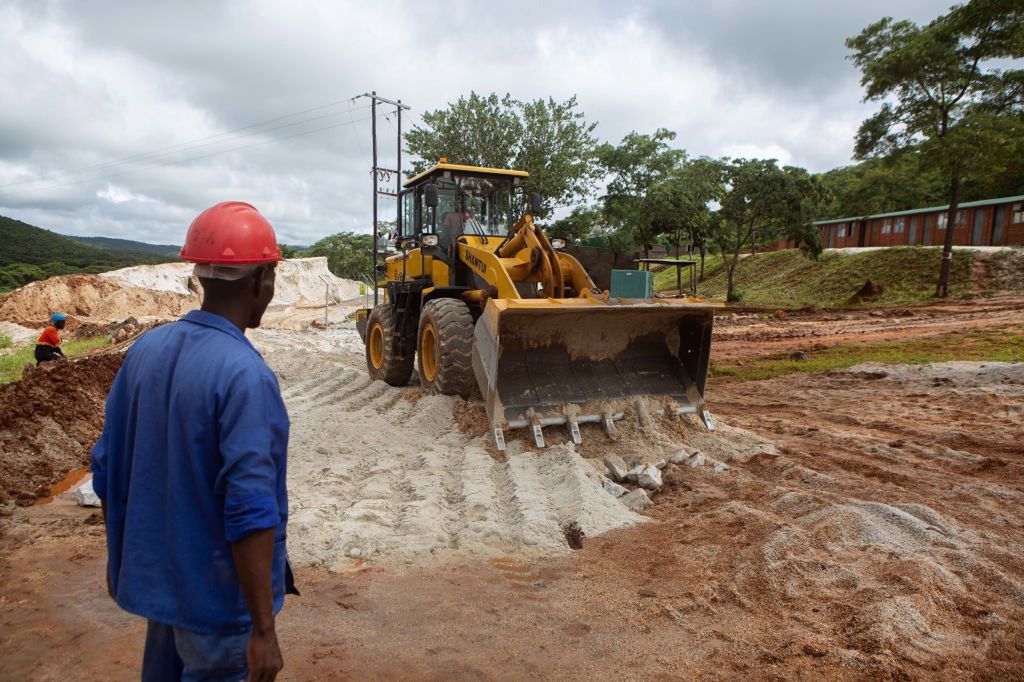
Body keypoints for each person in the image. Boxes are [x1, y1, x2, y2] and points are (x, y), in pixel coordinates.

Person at [91, 201, 296, 682]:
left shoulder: (145, 350)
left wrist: (119, 560)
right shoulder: (246, 375)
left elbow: (105, 469)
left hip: (163, 589)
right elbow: (250, 509)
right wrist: (263, 630)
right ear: (263, 280)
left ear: (201, 276)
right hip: (217, 605)